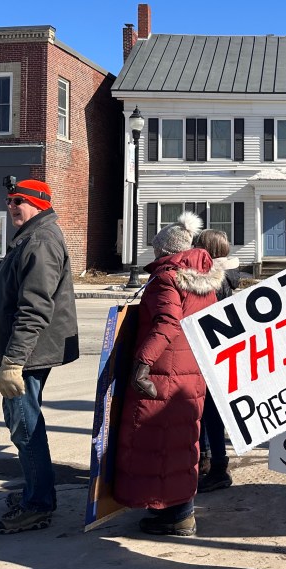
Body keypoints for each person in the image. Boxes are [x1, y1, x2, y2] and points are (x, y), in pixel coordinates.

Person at [0, 178, 79, 534]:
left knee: (25, 428)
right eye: (9, 201)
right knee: (23, 424)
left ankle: (37, 505)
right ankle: (35, 493)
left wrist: (13, 361)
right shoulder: (30, 238)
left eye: (19, 201)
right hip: (25, 352)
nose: (11, 207)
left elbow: (35, 307)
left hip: (27, 354)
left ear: (39, 203)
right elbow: (8, 277)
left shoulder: (40, 242)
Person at [113, 211, 224, 537]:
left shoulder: (166, 278)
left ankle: (176, 515)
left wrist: (142, 363)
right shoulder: (202, 280)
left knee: (158, 444)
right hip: (190, 373)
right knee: (180, 444)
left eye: (156, 248)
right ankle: (177, 510)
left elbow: (167, 322)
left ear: (165, 250)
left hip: (164, 372)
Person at [193, 228, 240, 493]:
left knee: (209, 411)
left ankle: (217, 467)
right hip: (220, 353)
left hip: (209, 352)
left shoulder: (214, 279)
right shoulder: (227, 277)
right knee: (210, 412)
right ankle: (209, 461)